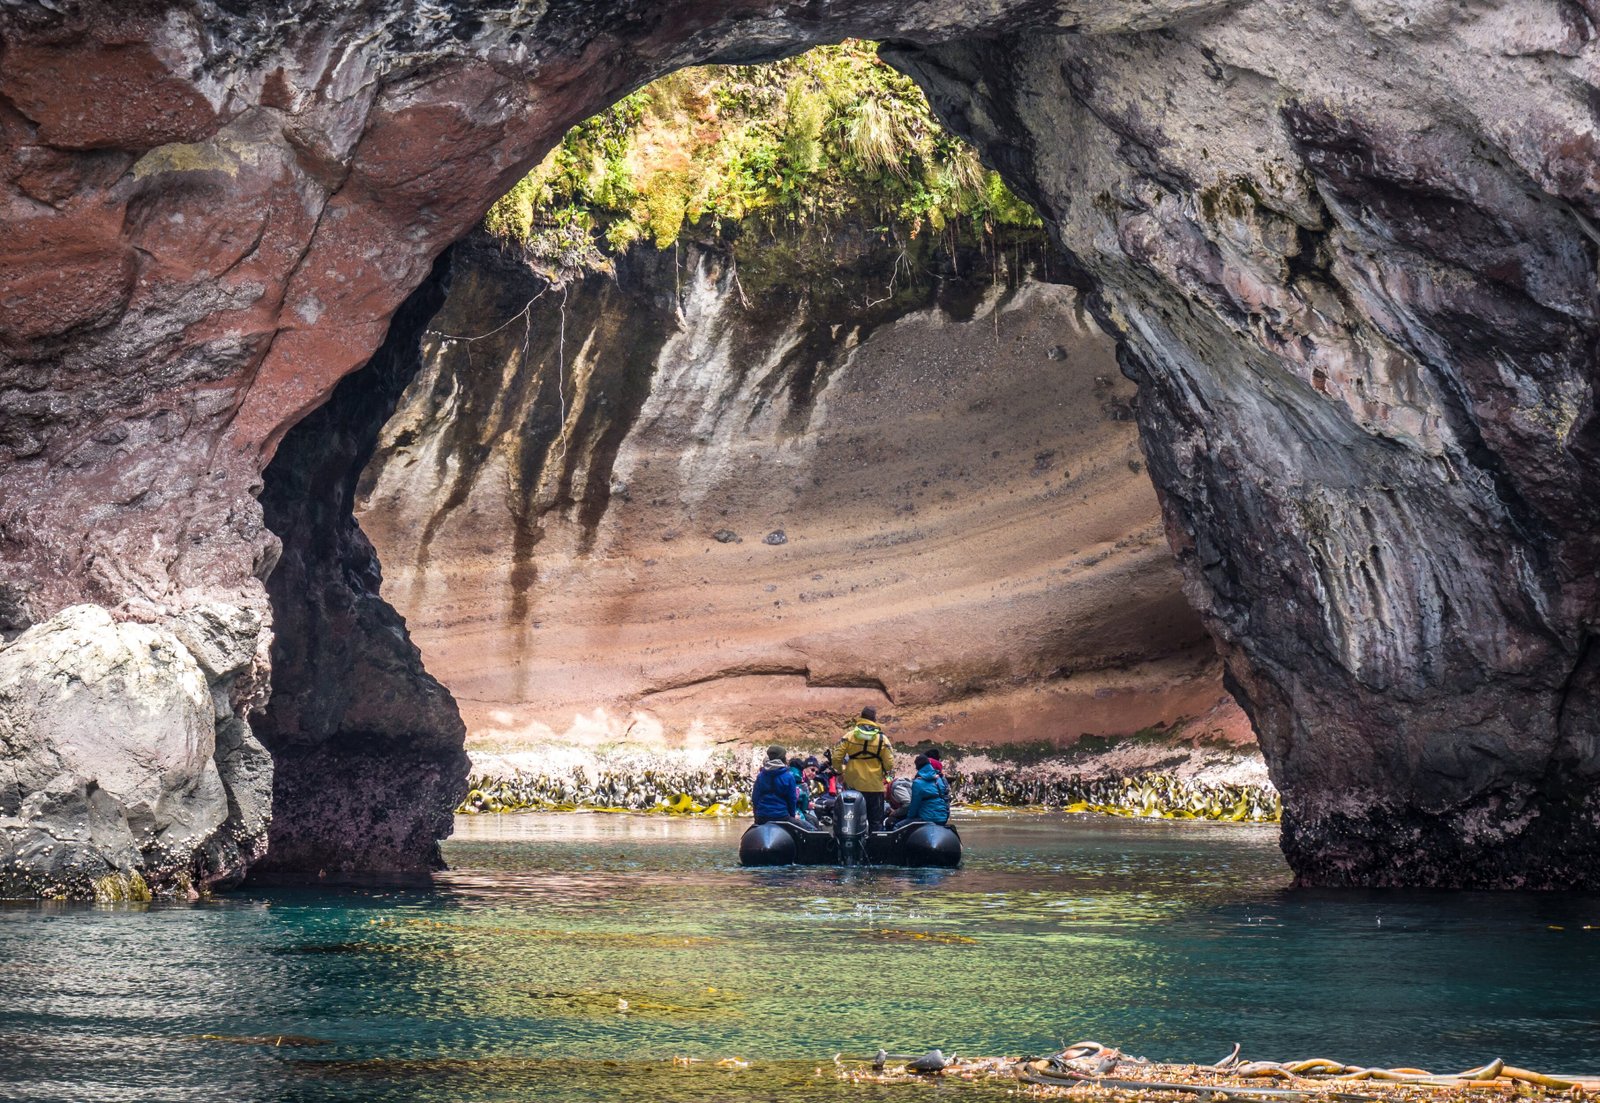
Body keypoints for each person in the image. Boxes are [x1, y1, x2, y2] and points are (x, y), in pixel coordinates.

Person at [830, 705, 893, 830]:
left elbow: (836, 758)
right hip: (875, 787)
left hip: (853, 786)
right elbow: (889, 764)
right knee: (876, 822)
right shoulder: (882, 739)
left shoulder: (849, 736)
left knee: (852, 820)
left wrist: (842, 770)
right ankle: (874, 842)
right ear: (874, 719)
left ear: (861, 717)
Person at [888, 754, 951, 828]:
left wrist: (909, 818)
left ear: (917, 767)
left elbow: (914, 806)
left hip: (927, 818)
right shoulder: (939, 779)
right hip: (943, 818)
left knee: (898, 826)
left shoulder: (917, 783)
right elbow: (945, 798)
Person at [751, 745, 805, 827]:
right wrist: (792, 816)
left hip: (762, 817)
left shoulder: (760, 776)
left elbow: (755, 799)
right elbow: (792, 800)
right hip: (782, 817)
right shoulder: (788, 776)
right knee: (805, 827)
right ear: (783, 758)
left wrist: (757, 819)